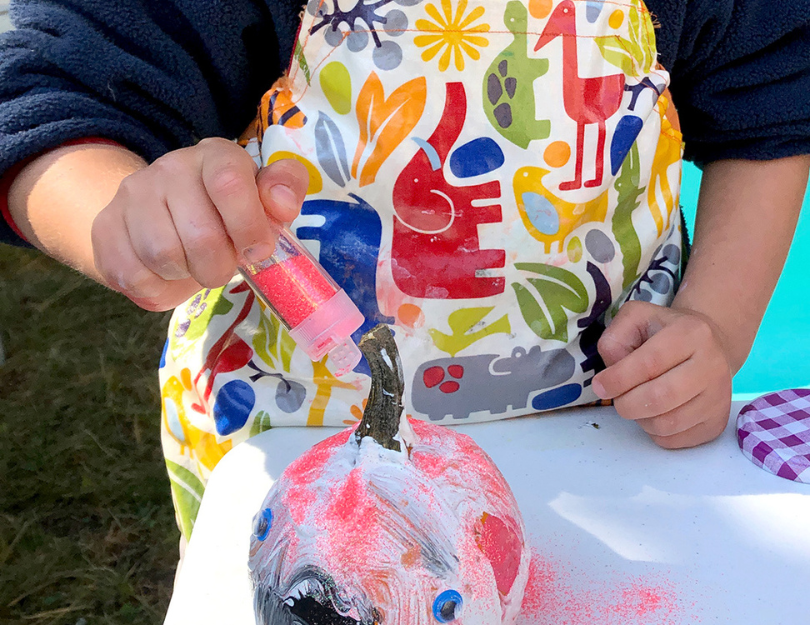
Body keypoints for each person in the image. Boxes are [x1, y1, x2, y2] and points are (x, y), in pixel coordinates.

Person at [1, 0, 808, 539]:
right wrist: (130, 217)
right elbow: (50, 96)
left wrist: (714, 325)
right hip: (307, 452)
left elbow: (766, 107)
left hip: (611, 438)